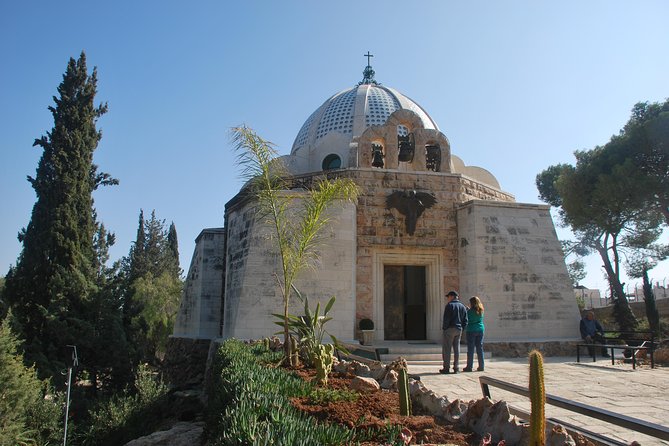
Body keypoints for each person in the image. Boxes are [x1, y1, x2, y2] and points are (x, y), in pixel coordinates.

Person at [440, 290, 468, 374]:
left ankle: (446, 367)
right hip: (459, 329)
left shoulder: (449, 305)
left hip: (450, 328)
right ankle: (456, 367)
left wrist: (445, 328)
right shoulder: (462, 306)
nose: (448, 298)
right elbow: (465, 320)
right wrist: (462, 328)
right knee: (457, 349)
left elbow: (446, 319)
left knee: (447, 348)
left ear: (452, 296)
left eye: (448, 296)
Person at [463, 296, 485, 372]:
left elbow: (467, 319)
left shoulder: (469, 312)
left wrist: (467, 310)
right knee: (480, 348)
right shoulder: (481, 310)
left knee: (471, 349)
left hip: (471, 329)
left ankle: (469, 366)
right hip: (480, 329)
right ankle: (481, 366)